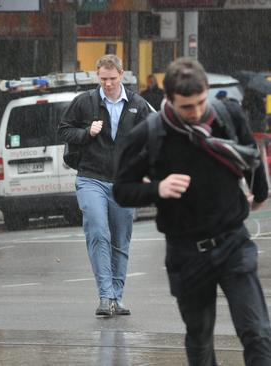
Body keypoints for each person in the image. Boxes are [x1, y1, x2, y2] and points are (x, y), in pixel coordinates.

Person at [113, 58, 271, 365]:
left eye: (201, 102)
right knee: (199, 339)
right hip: (187, 252)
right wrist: (156, 189)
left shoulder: (227, 115)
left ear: (207, 91)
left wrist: (260, 195)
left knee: (258, 333)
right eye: (187, 107)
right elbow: (121, 189)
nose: (197, 113)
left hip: (232, 243)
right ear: (169, 100)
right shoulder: (150, 134)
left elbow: (251, 156)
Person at [57, 54, 151, 317]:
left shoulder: (137, 104)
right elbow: (63, 130)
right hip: (91, 177)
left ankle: (117, 298)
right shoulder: (85, 102)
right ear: (97, 77)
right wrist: (87, 133)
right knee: (98, 232)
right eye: (102, 79)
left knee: (120, 240)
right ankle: (105, 295)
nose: (107, 84)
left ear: (121, 75)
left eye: (112, 79)